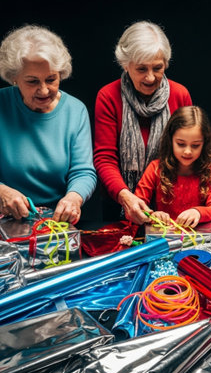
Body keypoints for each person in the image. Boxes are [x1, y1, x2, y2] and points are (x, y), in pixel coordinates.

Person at [94, 21, 192, 223]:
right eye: (141, 69)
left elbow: (191, 150)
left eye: (158, 68)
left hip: (170, 203)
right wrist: (125, 197)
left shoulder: (180, 95)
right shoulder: (108, 96)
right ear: (125, 64)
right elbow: (105, 158)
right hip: (120, 203)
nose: (150, 77)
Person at [0, 25, 96, 224]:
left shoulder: (75, 110)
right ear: (14, 78)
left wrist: (73, 198)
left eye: (51, 79)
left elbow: (83, 171)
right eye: (32, 81)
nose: (44, 90)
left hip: (54, 222)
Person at [134, 106, 211, 227]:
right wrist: (153, 215)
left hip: (198, 239)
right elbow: (137, 206)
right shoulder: (155, 168)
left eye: (195, 145)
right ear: (170, 140)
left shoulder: (210, 170)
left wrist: (198, 212)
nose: (188, 151)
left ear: (204, 143)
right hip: (163, 239)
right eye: (181, 144)